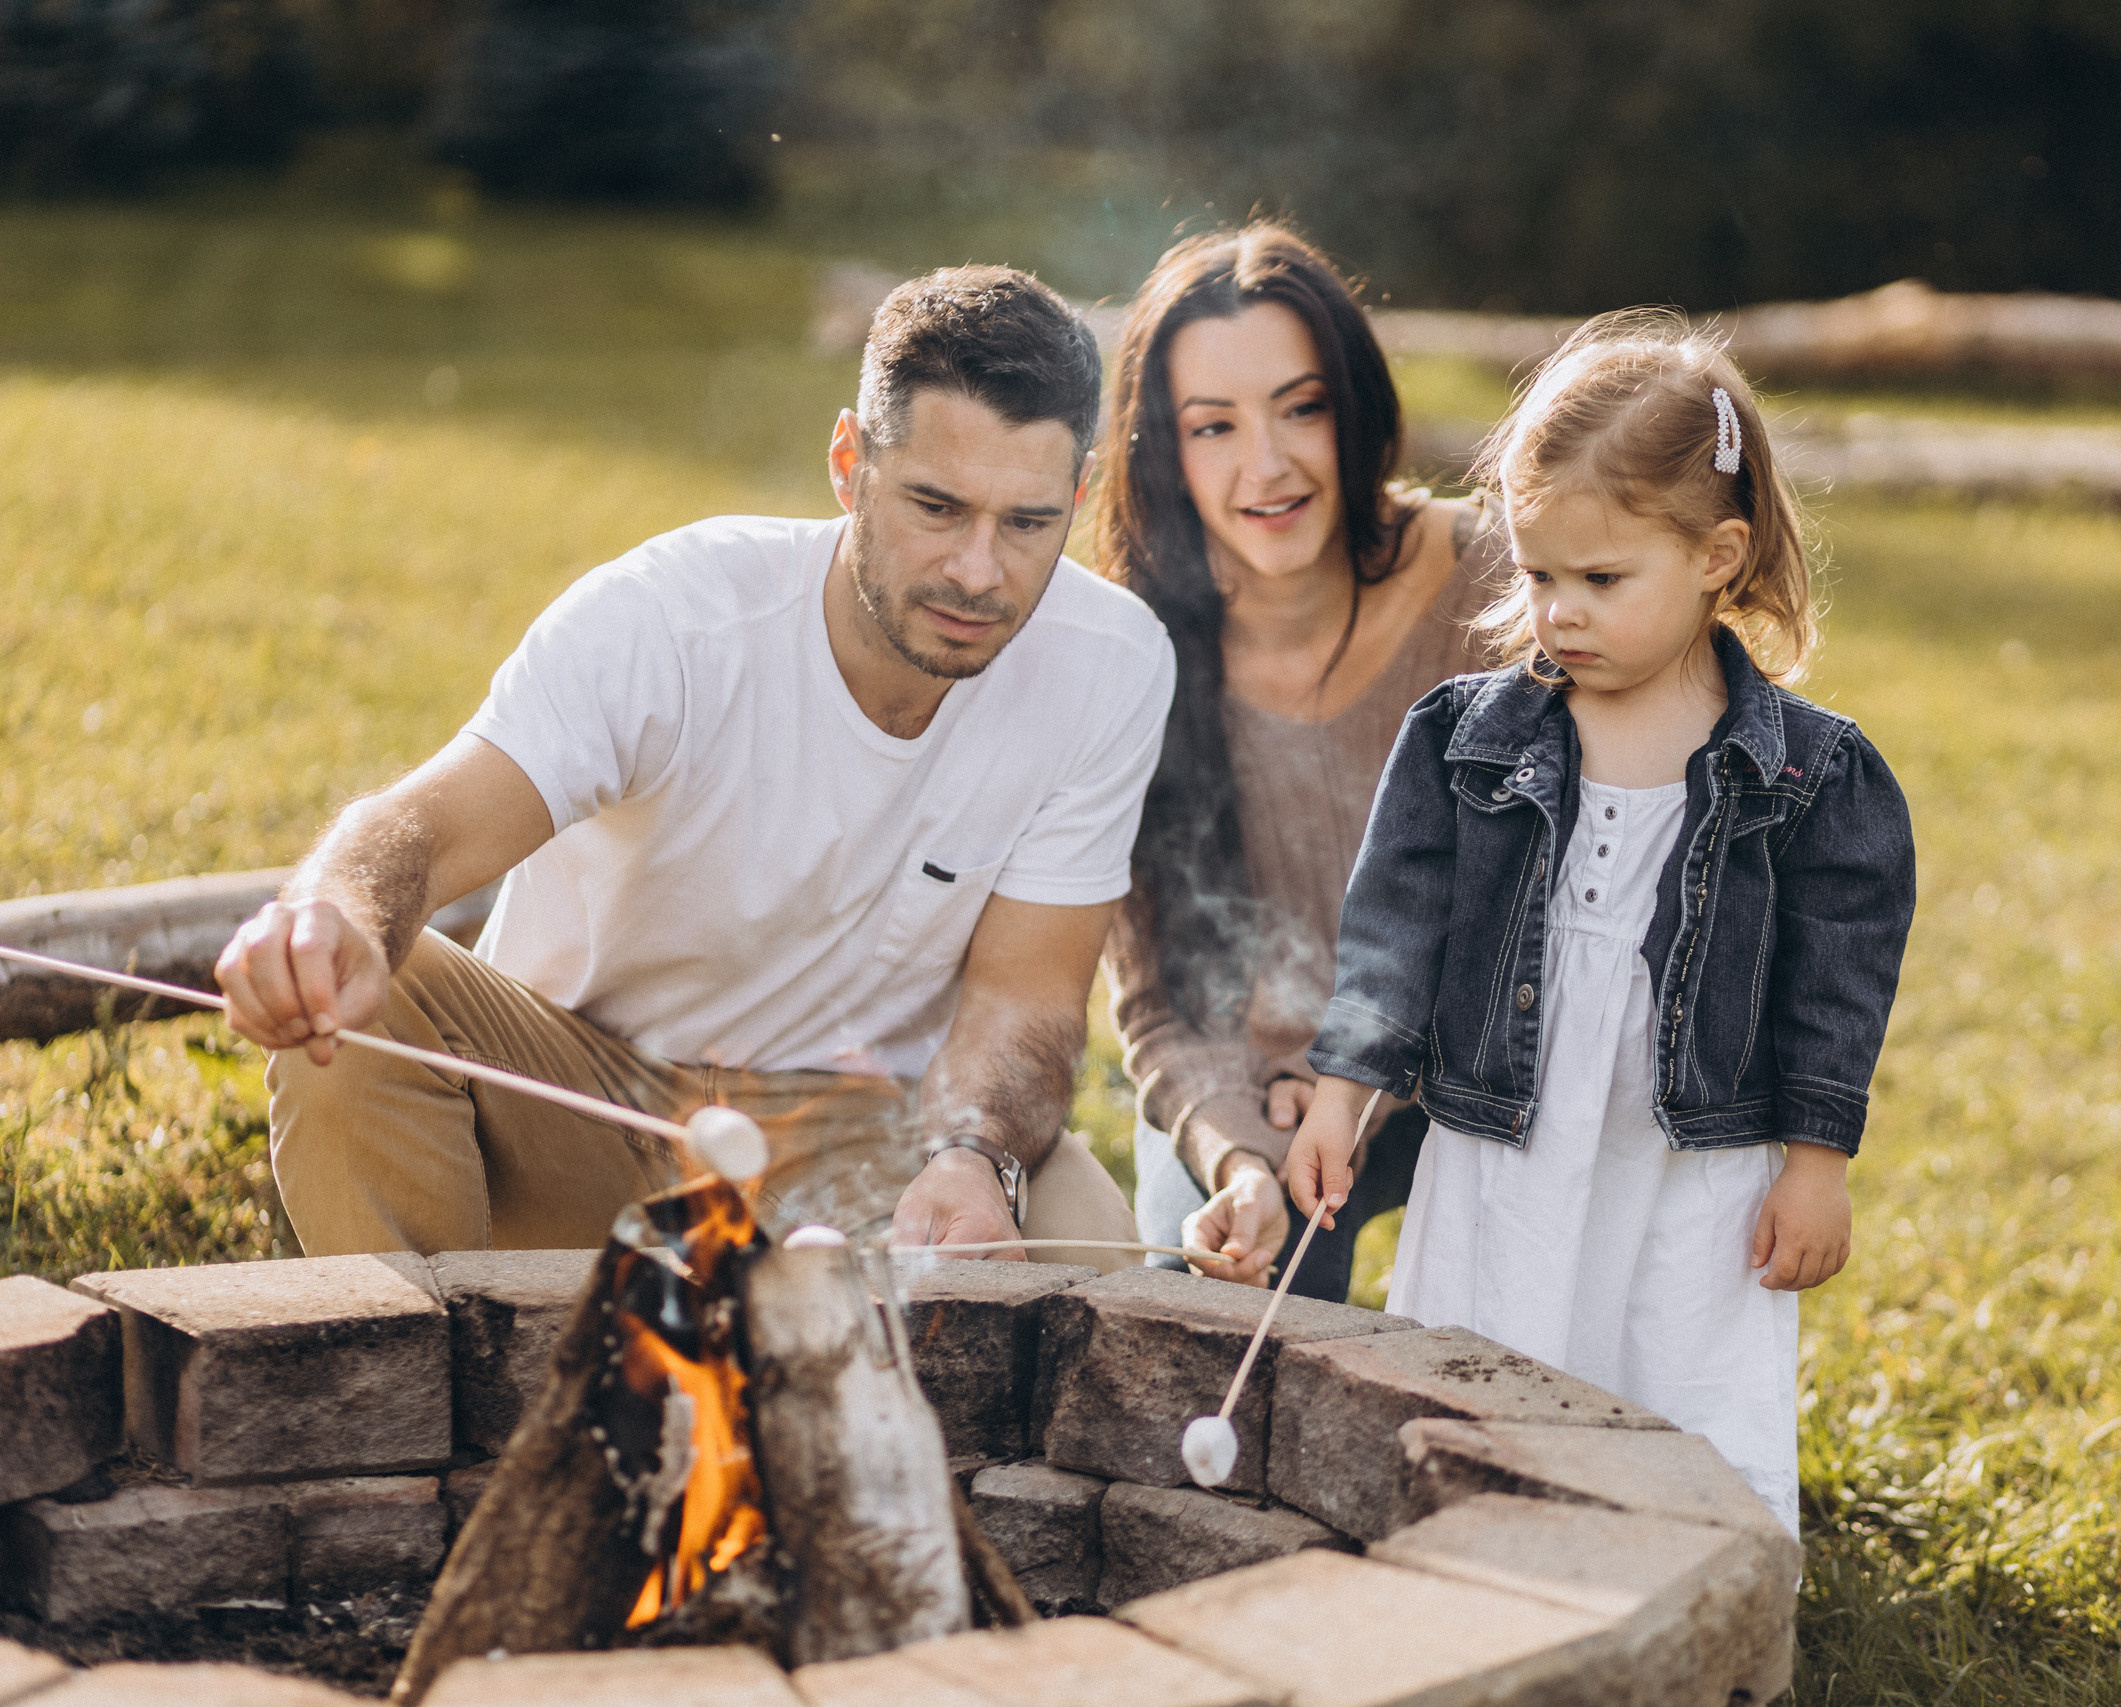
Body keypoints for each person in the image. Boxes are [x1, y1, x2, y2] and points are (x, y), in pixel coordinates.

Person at [214, 266, 1176, 1265]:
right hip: (586, 1109)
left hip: (869, 1136)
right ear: (850, 466)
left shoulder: (1112, 665)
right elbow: (429, 823)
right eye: (936, 507)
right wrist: (337, 911)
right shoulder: (671, 618)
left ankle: (906, 1417)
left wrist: (977, 1154)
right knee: (379, 989)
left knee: (1081, 1231)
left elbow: (1029, 999)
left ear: (1078, 494)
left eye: (1026, 524)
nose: (979, 572)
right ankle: (428, 1394)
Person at [1283, 313, 1917, 1527]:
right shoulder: (1468, 738)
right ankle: (1477, 1560)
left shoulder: (1811, 775)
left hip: (1693, 1156)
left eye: (1601, 579)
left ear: (1719, 558)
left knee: (1673, 1356)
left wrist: (1815, 1164)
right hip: (1503, 1135)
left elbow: (1835, 983)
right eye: (1536, 576)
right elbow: (1393, 928)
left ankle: (1686, 1579)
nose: (1559, 611)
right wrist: (1339, 1093)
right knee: (1488, 1349)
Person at [1090, 224, 1505, 1302]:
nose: (1266, 466)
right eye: (1213, 426)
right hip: (1259, 1097)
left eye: (1301, 407)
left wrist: (1363, 1072)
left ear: (1353, 408)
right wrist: (1233, 1153)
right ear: (1161, 450)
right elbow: (1157, 1000)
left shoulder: (1495, 585)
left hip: (1481, 1080)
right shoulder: (1129, 659)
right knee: (1208, 1325)